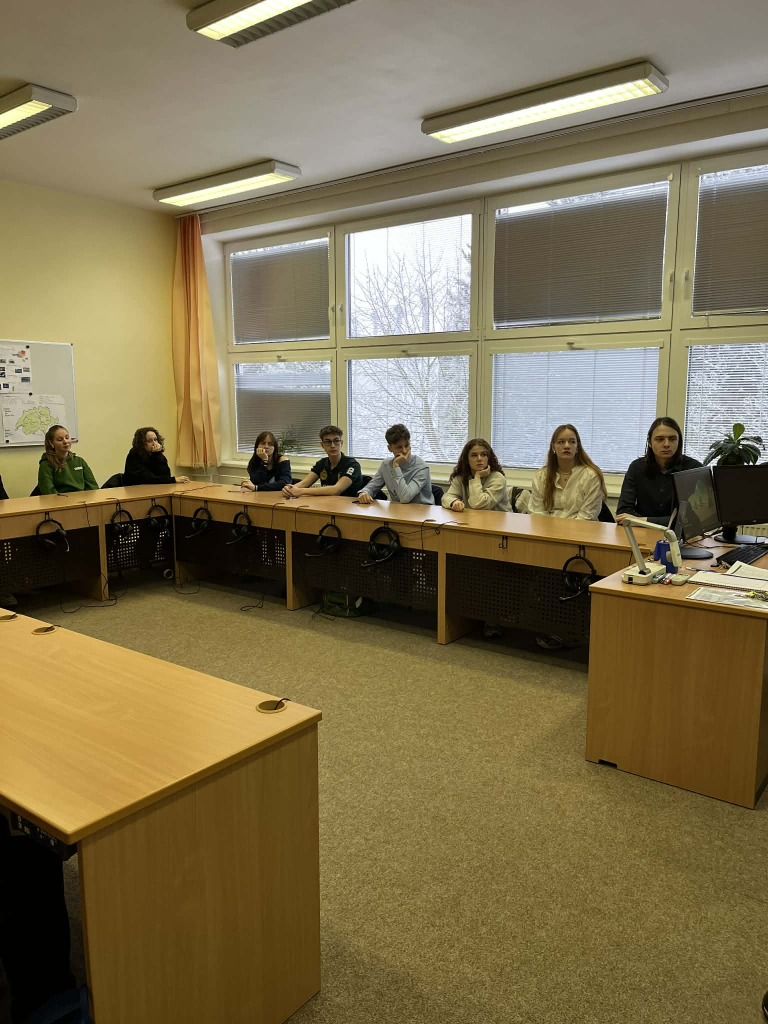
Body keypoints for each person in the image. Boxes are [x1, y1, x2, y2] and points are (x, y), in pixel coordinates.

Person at [616, 417, 702, 526]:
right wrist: (644, 522)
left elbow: (694, 518)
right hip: (640, 531)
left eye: (672, 439)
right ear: (650, 442)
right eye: (660, 439)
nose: (666, 444)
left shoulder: (694, 469)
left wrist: (644, 521)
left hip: (678, 534)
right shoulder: (636, 467)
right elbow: (623, 513)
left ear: (679, 442)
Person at [528, 424, 606, 520]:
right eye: (561, 442)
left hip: (582, 528)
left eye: (572, 442)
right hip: (547, 528)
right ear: (553, 447)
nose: (567, 446)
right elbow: (538, 514)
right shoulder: (541, 476)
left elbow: (586, 517)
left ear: (577, 447)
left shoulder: (591, 476)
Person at [357, 424, 433, 506]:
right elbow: (371, 487)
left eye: (407, 445)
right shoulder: (386, 465)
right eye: (399, 447)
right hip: (398, 510)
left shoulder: (422, 468)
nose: (404, 451)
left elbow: (405, 498)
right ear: (390, 448)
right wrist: (364, 493)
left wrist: (396, 466)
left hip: (421, 510)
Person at [282, 426, 363, 499]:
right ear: (322, 445)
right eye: (328, 442)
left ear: (341, 443)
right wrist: (289, 489)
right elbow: (304, 484)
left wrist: (301, 491)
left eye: (336, 441)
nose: (332, 445)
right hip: (327, 504)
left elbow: (336, 490)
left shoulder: (352, 464)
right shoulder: (322, 463)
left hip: (349, 506)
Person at [442, 438, 511, 514]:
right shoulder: (462, 477)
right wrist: (454, 502)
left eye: (483, 454)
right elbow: (446, 498)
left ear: (489, 458)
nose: (479, 459)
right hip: (474, 518)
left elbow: (478, 504)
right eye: (474, 455)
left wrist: (477, 477)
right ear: (467, 460)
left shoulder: (498, 478)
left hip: (499, 520)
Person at [37, 425, 98, 495]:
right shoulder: (46, 465)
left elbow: (93, 487)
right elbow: (49, 492)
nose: (65, 441)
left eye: (67, 437)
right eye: (60, 440)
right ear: (51, 443)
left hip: (82, 500)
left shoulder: (80, 461)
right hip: (61, 501)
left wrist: (85, 499)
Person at [123, 427, 190, 486]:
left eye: (155, 440)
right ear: (142, 443)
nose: (154, 443)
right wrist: (173, 480)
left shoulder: (156, 454)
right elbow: (147, 479)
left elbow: (165, 474)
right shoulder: (134, 454)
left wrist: (157, 454)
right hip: (135, 491)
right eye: (150, 441)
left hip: (154, 489)